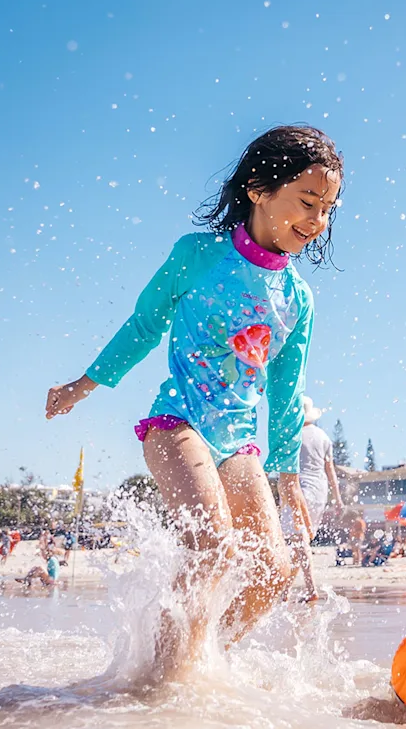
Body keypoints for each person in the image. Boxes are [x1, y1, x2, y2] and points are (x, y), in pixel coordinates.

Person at [45, 125, 342, 679]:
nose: (318, 220)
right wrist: (82, 385)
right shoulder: (197, 256)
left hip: (239, 445)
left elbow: (285, 393)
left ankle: (195, 667)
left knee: (272, 571)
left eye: (328, 207)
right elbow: (144, 324)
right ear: (258, 187)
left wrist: (287, 478)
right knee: (212, 544)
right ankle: (160, 686)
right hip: (177, 423)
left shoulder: (298, 297)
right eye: (307, 201)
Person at [283, 396, 341, 602]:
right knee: (301, 541)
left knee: (297, 540)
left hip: (302, 489)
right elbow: (330, 470)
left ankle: (310, 590)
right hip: (320, 490)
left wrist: (283, 499)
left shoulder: (293, 435)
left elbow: (287, 470)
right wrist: (338, 499)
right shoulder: (324, 437)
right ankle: (286, 590)